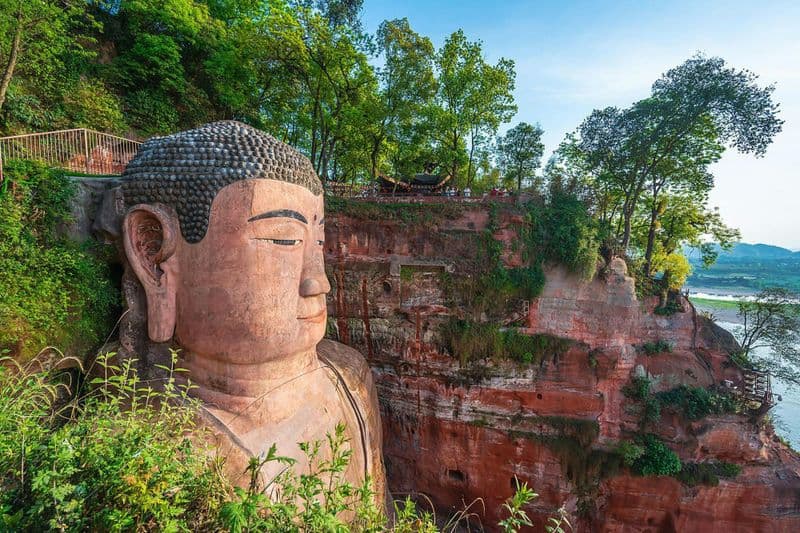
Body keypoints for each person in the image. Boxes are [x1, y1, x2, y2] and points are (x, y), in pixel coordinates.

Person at [116, 121, 386, 501]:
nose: (318, 282)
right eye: (284, 239)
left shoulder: (350, 378)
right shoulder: (147, 448)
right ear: (153, 255)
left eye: (319, 243)